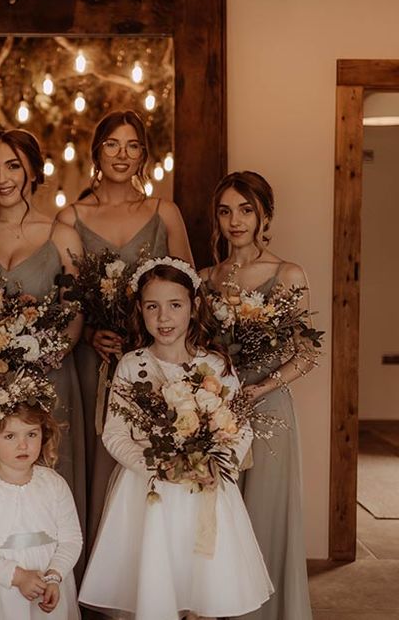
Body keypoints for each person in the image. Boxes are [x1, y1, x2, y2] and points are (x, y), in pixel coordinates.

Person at [79, 258, 272, 620]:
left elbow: (239, 426)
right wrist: (153, 466)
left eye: (175, 305)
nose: (163, 317)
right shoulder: (131, 365)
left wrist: (218, 462)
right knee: (155, 585)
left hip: (203, 491)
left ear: (193, 306)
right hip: (150, 492)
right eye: (152, 307)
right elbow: (116, 433)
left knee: (203, 587)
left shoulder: (215, 366)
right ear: (140, 310)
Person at [56, 110, 193, 552]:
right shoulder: (70, 216)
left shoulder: (163, 212)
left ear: (143, 155)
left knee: (145, 458)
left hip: (154, 358)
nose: (122, 154)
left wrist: (156, 334)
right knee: (98, 460)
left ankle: (145, 572)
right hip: (92, 357)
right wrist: (91, 330)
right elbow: (67, 296)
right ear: (97, 150)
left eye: (132, 145)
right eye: (112, 144)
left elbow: (190, 289)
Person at [0, 129, 86, 530]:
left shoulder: (62, 237)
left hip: (46, 381)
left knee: (45, 488)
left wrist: (31, 361)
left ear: (32, 171)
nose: (2, 178)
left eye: (13, 166)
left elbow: (73, 319)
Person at [199, 171, 316, 620]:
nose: (236, 220)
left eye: (246, 209)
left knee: (264, 519)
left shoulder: (288, 274)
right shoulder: (207, 279)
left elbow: (306, 355)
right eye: (226, 211)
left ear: (265, 214)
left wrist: (260, 388)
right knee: (222, 523)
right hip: (218, 411)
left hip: (268, 411)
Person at [0, 378, 83, 620]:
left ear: (43, 435)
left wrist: (54, 575)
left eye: (31, 434)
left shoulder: (53, 483)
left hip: (48, 585)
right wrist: (18, 577)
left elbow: (71, 539)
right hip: (3, 589)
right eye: (10, 436)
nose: (23, 444)